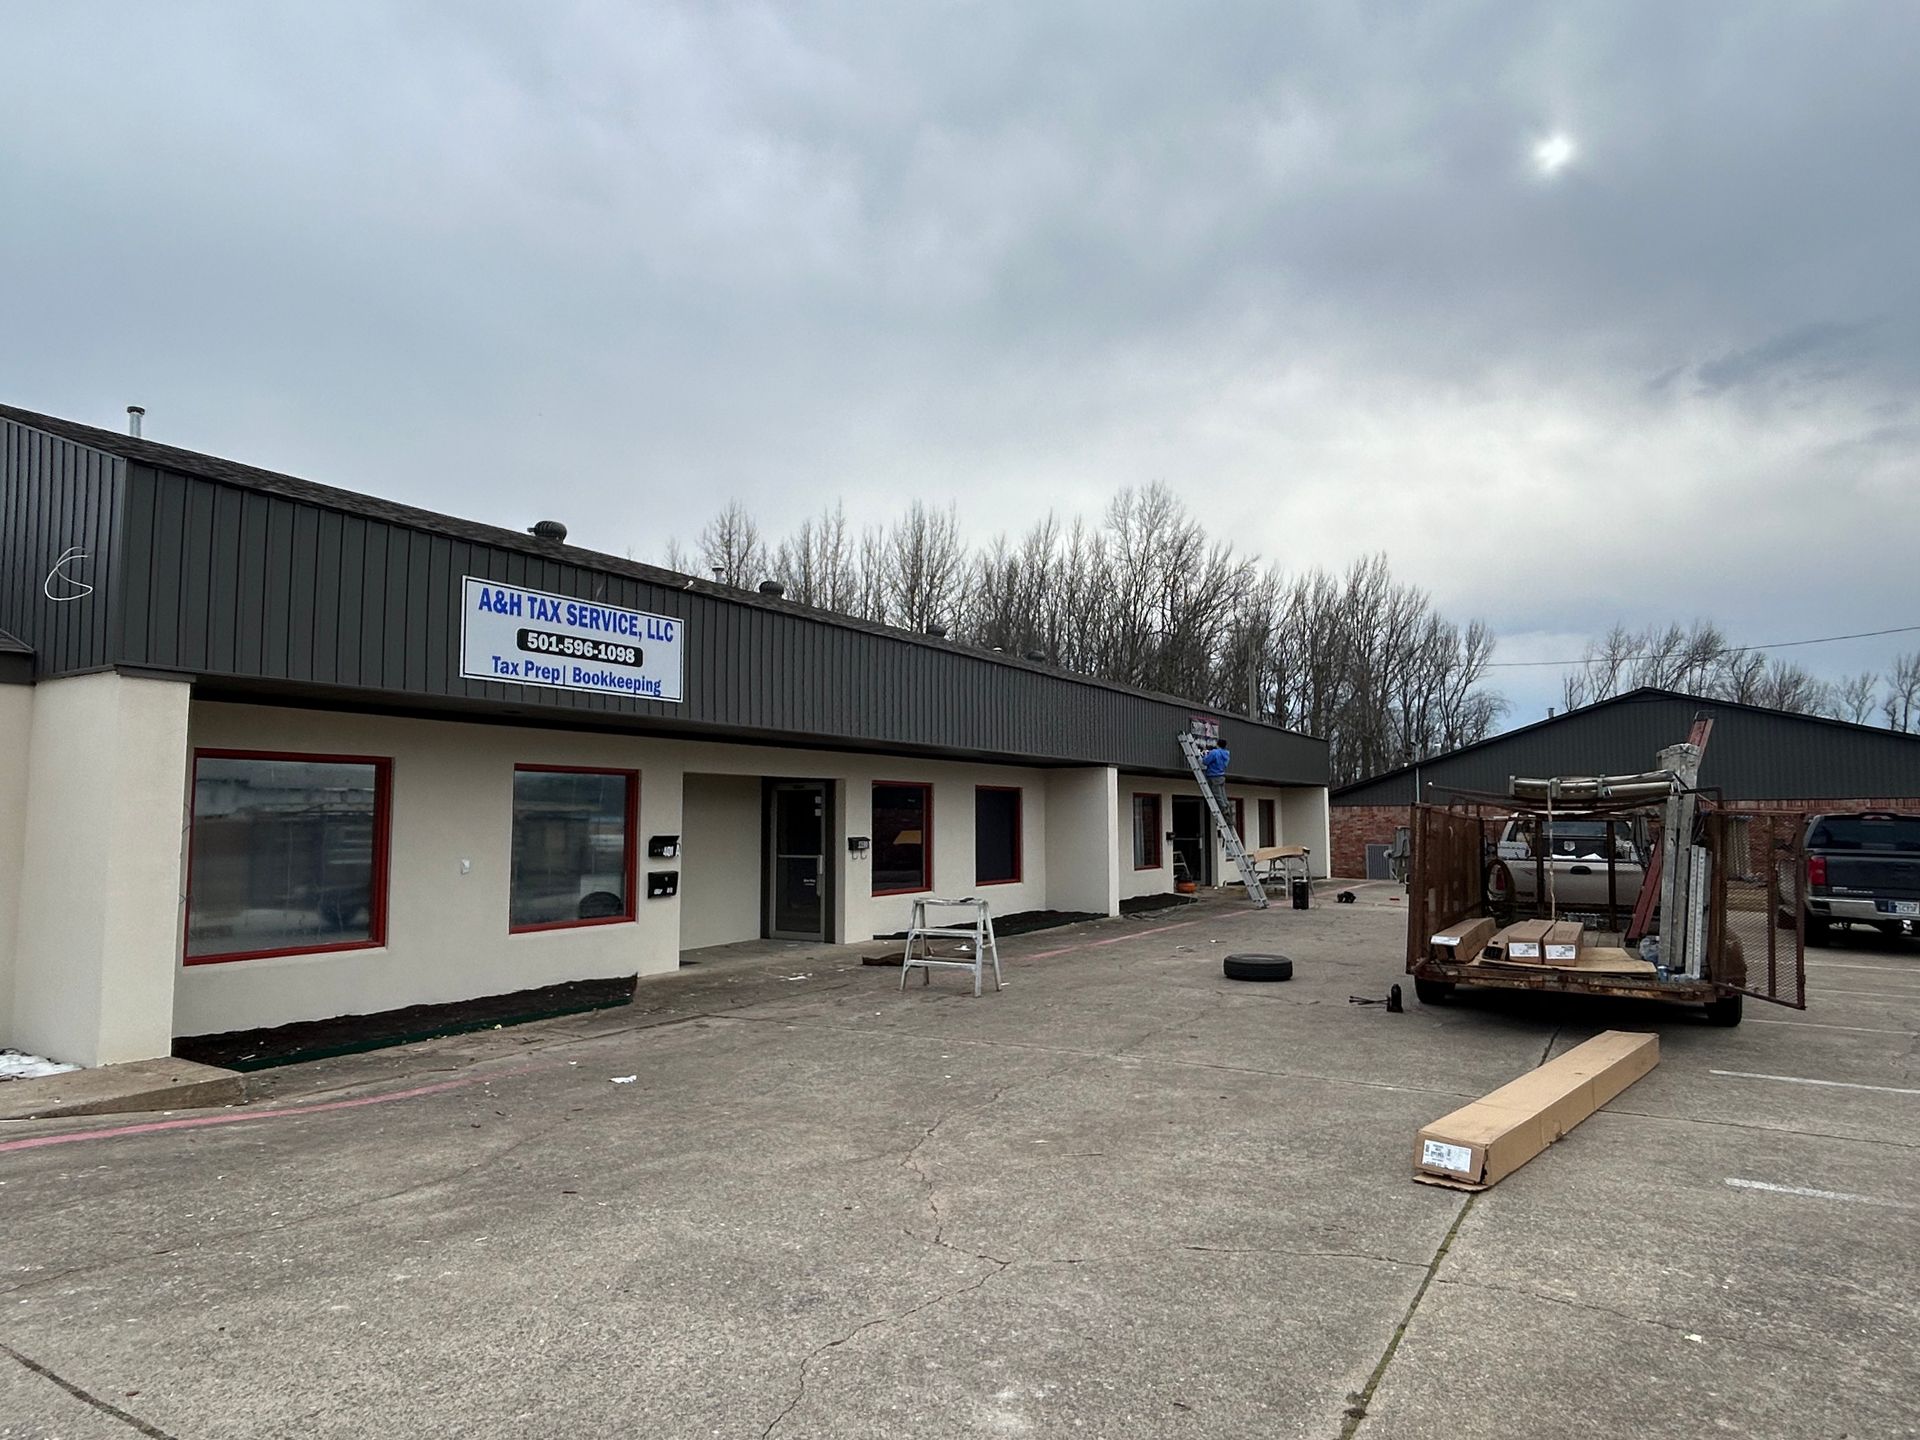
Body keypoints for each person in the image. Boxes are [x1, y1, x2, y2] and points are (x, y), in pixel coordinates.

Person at [1202, 739, 1231, 812]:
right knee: (1222, 794)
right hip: (1221, 776)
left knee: (1217, 794)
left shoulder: (1214, 752)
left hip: (1213, 775)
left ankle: (1224, 808)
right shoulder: (1226, 754)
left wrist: (1205, 756)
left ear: (1217, 744)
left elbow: (1205, 762)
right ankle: (1227, 806)